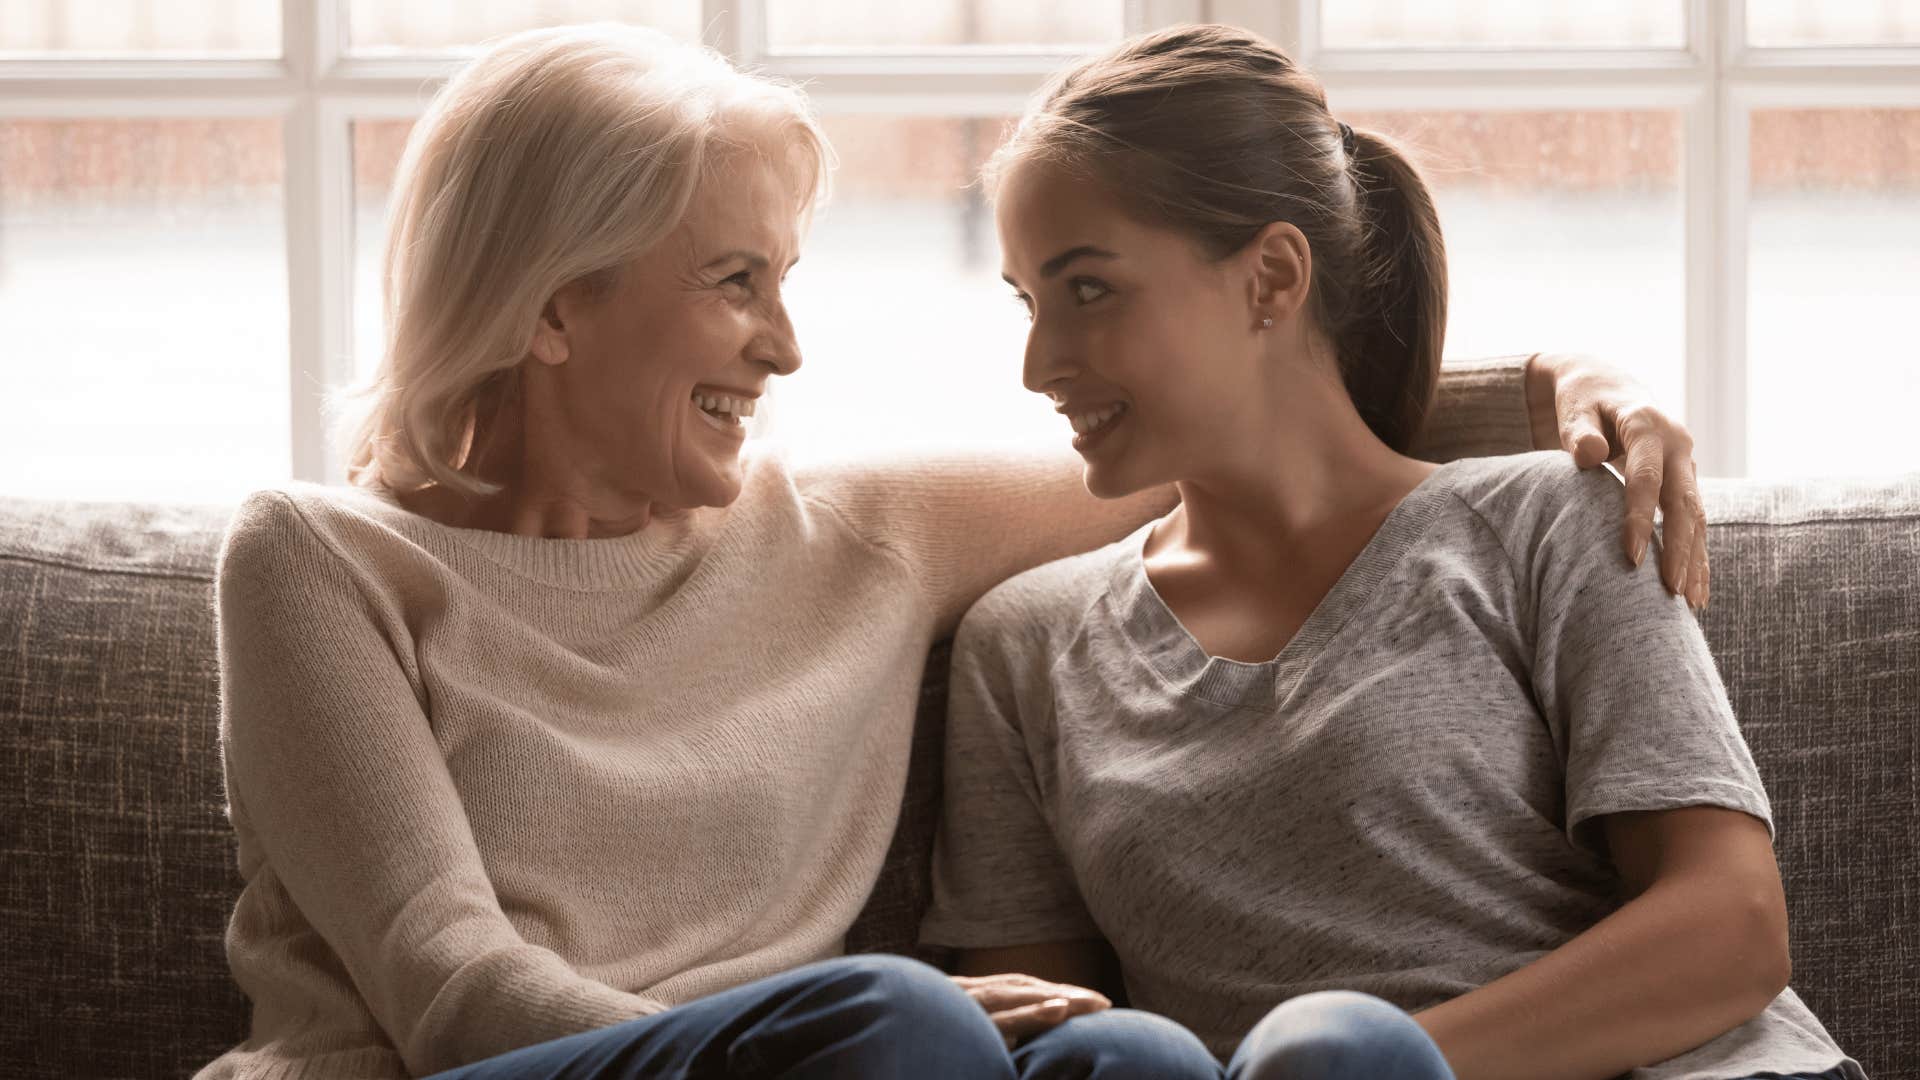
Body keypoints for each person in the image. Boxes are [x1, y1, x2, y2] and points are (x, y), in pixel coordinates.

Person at [201, 22, 1711, 1080]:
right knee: (907, 1032)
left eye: (784, 283)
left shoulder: (858, 531)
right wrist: (843, 1021)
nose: (784, 348)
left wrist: (1567, 388)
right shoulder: (322, 561)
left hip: (827, 1068)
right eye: (735, 282)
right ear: (548, 306)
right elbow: (449, 985)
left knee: (1110, 1056)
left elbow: (1234, 415)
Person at [922, 24, 1863, 1080]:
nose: (1038, 362)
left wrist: (1371, 1068)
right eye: (1027, 302)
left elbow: (1730, 928)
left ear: (1272, 278)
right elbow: (1047, 1038)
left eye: (1087, 290)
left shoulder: (1550, 520)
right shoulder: (1024, 648)